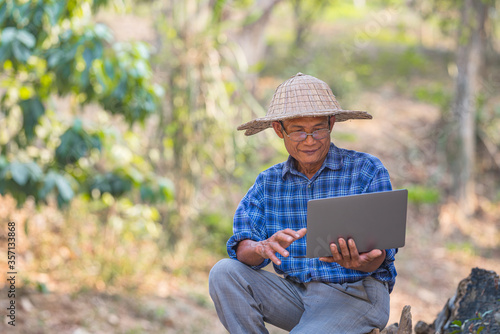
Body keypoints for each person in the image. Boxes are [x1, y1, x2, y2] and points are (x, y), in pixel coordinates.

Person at [209, 73, 397, 333]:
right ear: (279, 130)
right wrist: (262, 247)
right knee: (224, 272)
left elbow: (382, 254)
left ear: (331, 123)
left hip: (358, 295)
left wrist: (360, 261)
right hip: (297, 295)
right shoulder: (268, 183)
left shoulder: (366, 170)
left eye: (317, 128)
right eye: (298, 131)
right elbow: (242, 248)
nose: (310, 140)